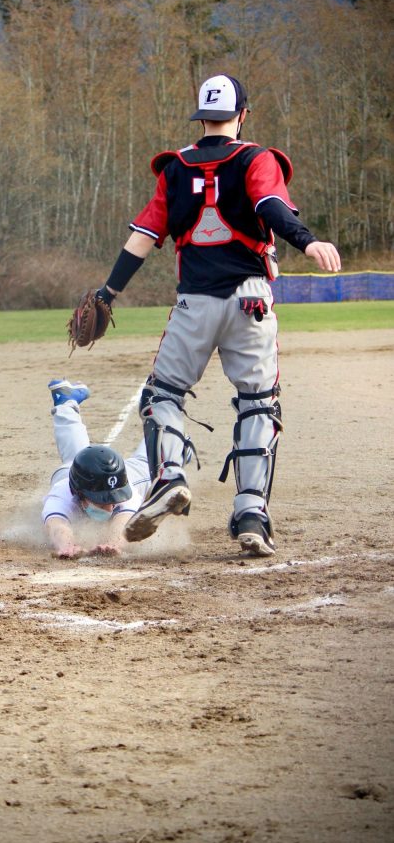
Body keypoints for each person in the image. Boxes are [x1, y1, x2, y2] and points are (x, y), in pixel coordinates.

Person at [88, 73, 341, 557]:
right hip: (250, 301)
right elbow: (271, 204)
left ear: (201, 117)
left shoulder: (176, 169)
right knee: (258, 402)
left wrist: (108, 292)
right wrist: (308, 241)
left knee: (162, 394)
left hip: (194, 304)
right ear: (242, 116)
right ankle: (251, 514)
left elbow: (142, 238)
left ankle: (170, 478)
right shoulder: (256, 158)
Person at [42, 378, 151, 559]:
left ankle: (65, 403)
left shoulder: (126, 489)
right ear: (80, 494)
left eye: (113, 499)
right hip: (66, 474)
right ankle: (65, 403)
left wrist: (114, 543)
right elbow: (56, 525)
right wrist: (67, 545)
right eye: (101, 501)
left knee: (148, 465)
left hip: (121, 472)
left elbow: (123, 522)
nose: (109, 507)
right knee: (79, 459)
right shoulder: (61, 494)